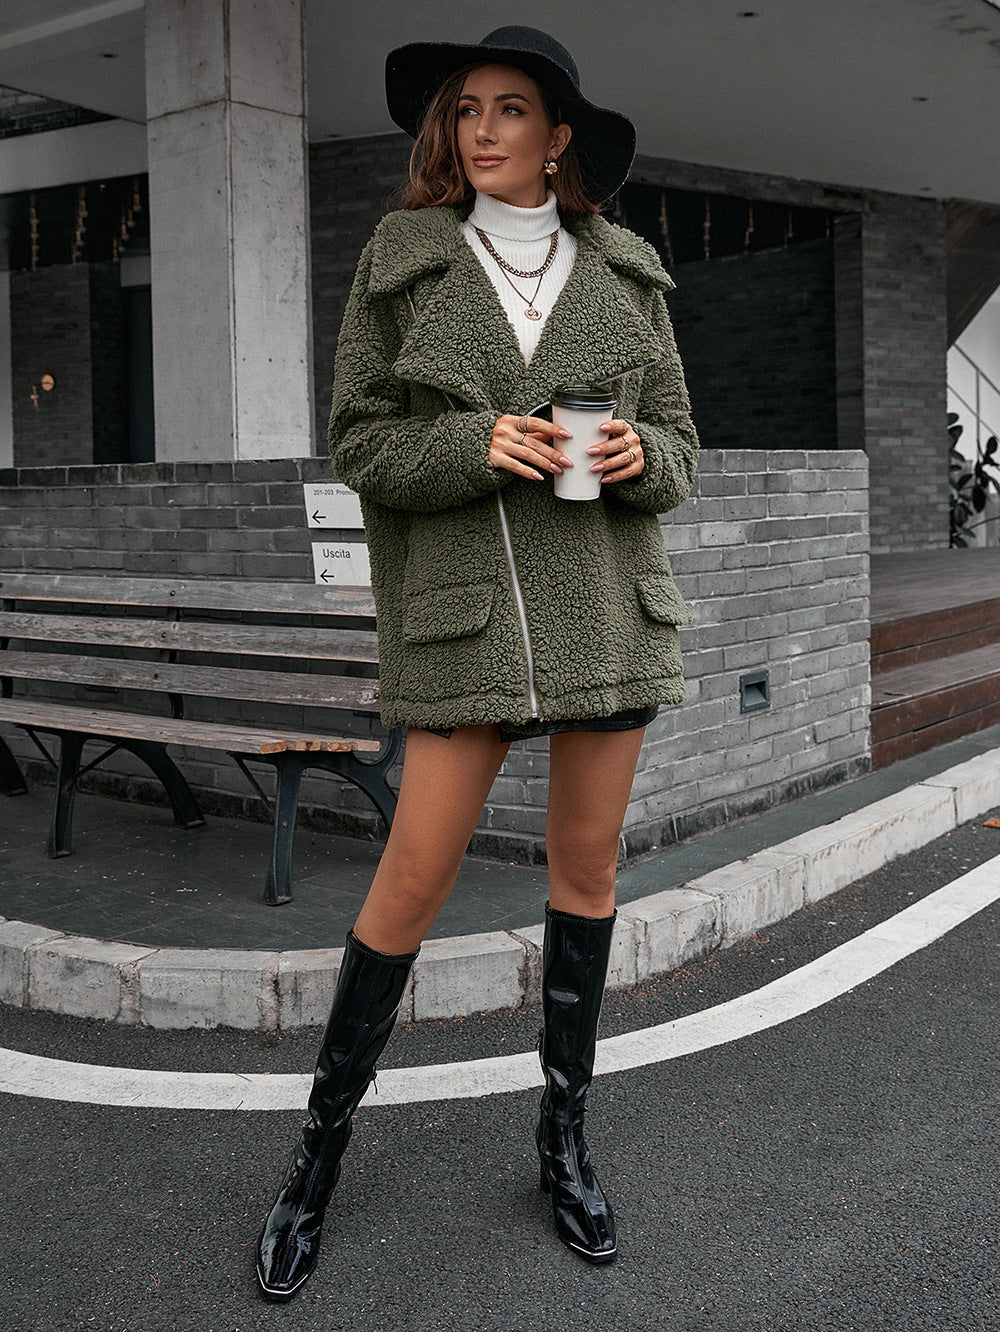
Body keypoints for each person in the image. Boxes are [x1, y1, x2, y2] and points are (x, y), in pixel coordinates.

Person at [255, 25, 699, 1302]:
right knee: (410, 878)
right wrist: (472, 445)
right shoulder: (401, 263)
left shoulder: (629, 274)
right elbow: (358, 441)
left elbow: (679, 446)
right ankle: (314, 1163)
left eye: (512, 109)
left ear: (560, 138)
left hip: (605, 610)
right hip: (464, 619)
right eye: (466, 110)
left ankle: (563, 1143)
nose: (484, 129)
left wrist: (639, 459)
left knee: (587, 873)